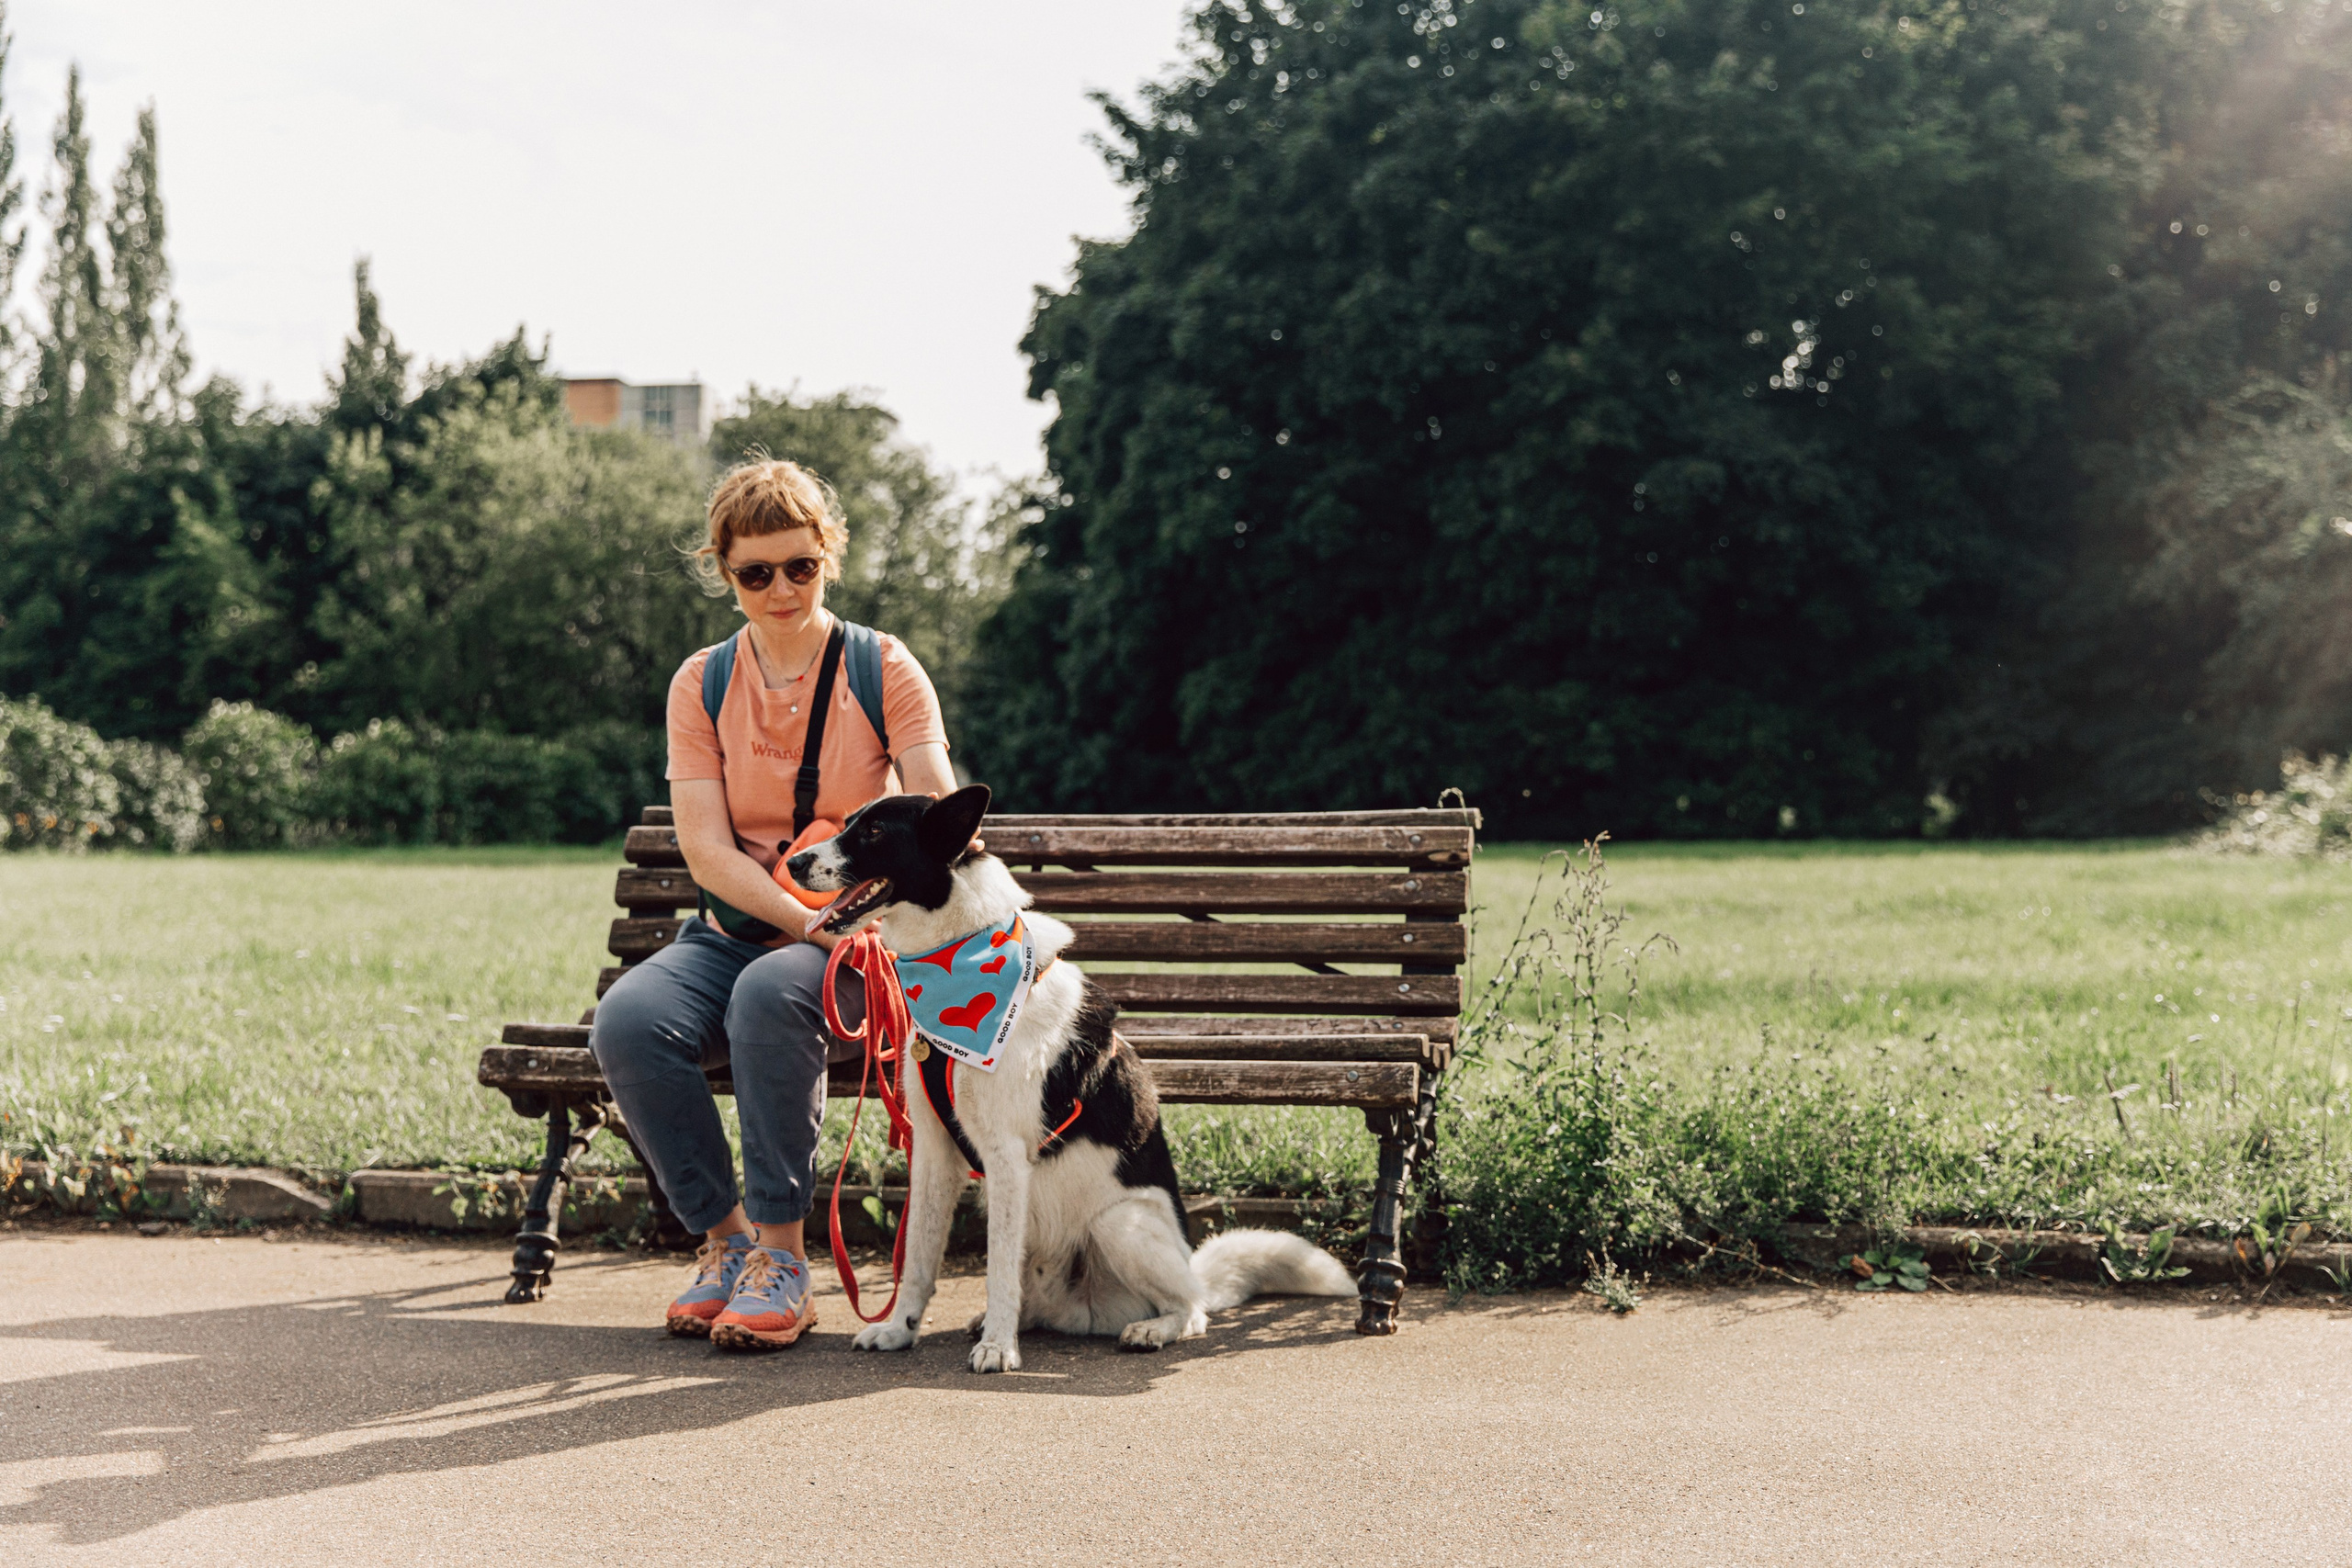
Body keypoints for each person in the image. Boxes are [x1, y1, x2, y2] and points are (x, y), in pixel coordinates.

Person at [589, 458, 961, 1350]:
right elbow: (707, 847)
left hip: (855, 951)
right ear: (726, 575)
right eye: (756, 572)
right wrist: (798, 919)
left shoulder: (882, 667)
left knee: (769, 993)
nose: (781, 588)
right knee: (628, 1019)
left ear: (828, 554)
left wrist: (856, 912)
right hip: (741, 933)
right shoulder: (702, 683)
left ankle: (785, 1261)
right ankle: (725, 1245)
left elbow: (938, 809)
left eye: (800, 565)